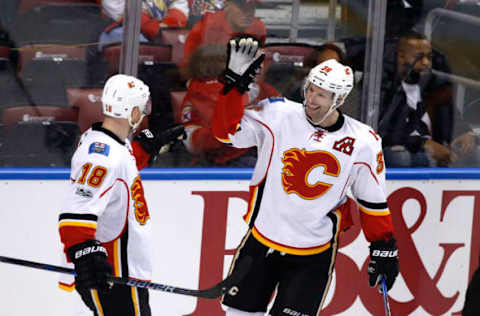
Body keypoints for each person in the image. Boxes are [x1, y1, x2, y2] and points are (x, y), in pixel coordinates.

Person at [211, 36, 399, 316]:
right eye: (311, 89)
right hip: (261, 242)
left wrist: (384, 246)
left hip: (313, 255)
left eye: (322, 95)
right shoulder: (277, 114)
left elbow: (372, 201)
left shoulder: (363, 141)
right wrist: (233, 86)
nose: (311, 99)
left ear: (340, 99)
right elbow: (225, 133)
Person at [58, 74, 183, 315]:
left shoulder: (109, 143)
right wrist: (86, 255)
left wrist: (146, 150)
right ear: (132, 112)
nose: (144, 114)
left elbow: (114, 174)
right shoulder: (103, 157)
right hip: (113, 273)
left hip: (122, 272)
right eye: (143, 108)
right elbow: (75, 212)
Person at [377, 30, 476, 167]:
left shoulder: (432, 86)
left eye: (429, 57)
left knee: (477, 153)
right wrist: (422, 144)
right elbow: (382, 131)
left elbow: (450, 116)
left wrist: (466, 133)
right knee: (399, 156)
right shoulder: (383, 87)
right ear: (400, 57)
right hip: (405, 150)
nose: (426, 63)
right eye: (419, 57)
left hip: (434, 149)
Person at [178, 43, 278, 166]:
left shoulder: (259, 89)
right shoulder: (202, 95)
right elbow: (198, 142)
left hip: (248, 154)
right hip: (224, 162)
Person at [179, 0, 265, 71]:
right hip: (210, 82)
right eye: (241, 7)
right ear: (227, 5)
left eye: (252, 6)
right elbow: (188, 69)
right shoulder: (208, 26)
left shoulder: (257, 28)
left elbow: (260, 66)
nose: (248, 12)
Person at [98, 0, 190, 51]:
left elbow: (179, 5)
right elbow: (113, 5)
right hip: (122, 29)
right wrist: (149, 25)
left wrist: (166, 27)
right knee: (139, 44)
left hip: (160, 31)